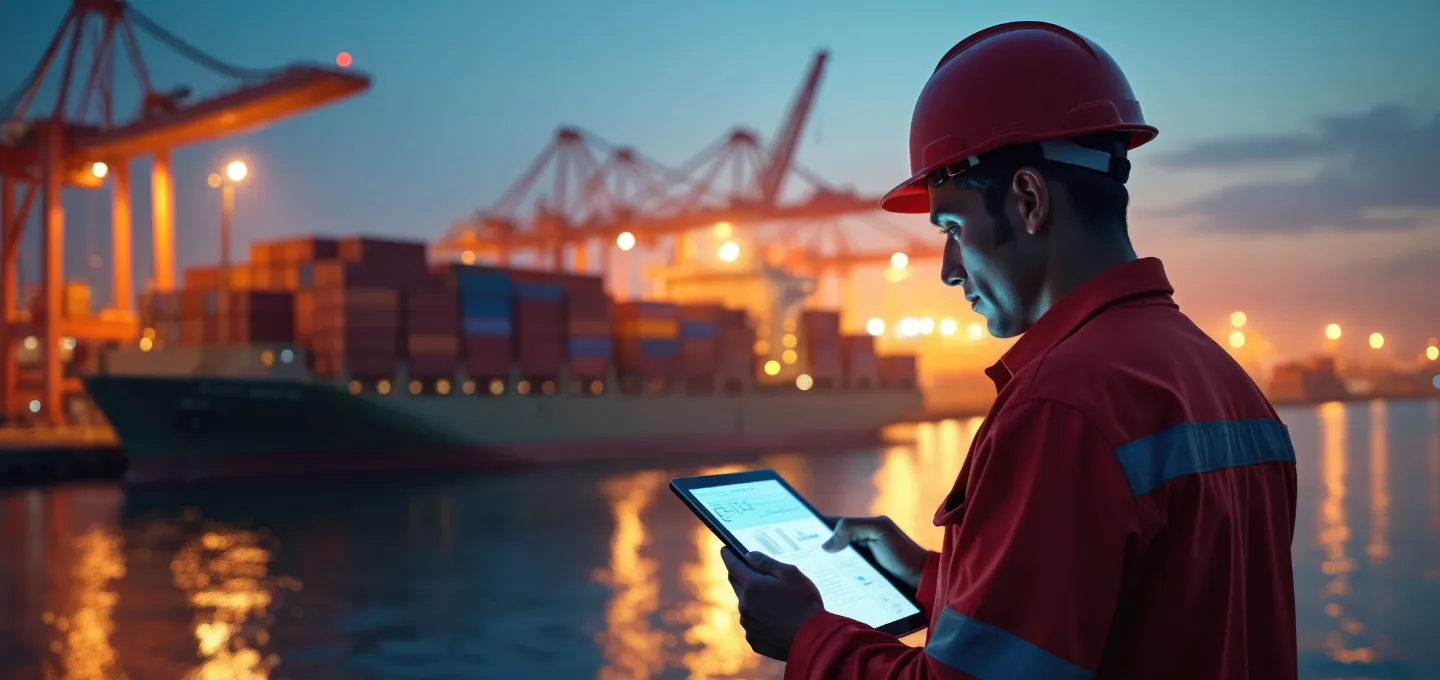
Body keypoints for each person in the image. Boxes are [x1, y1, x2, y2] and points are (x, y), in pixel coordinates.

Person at [720, 21, 1299, 680]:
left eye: (952, 227)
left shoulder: (1062, 405)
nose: (947, 270)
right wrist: (929, 575)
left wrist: (806, 636)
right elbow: (1143, 612)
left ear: (1028, 200)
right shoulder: (1225, 380)